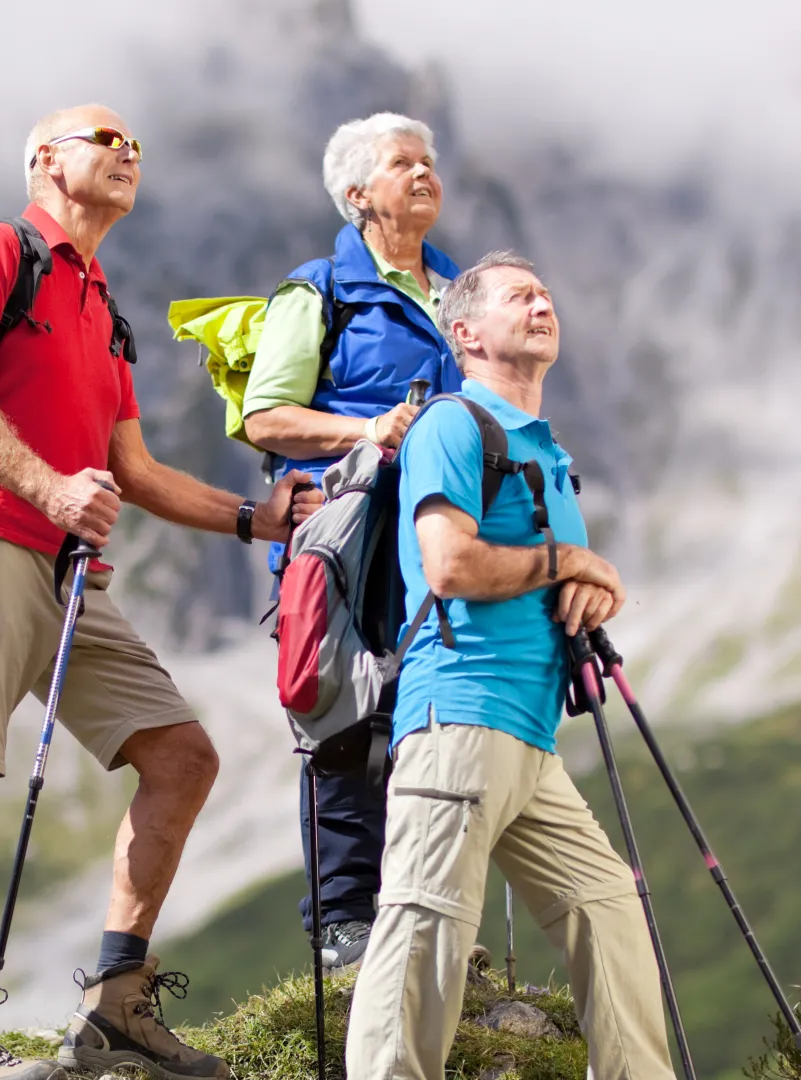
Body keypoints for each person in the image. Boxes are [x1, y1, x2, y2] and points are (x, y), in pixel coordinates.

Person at [0, 104, 323, 1080]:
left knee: (182, 757)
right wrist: (48, 485)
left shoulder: (103, 305)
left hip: (65, 569)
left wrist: (254, 519)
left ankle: (115, 1008)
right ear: (45, 159)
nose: (129, 153)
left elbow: (130, 466)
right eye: (106, 138)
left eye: (138, 144)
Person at [344, 253, 676, 1080]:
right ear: (466, 332)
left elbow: (547, 572)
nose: (542, 303)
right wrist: (567, 559)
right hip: (459, 711)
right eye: (519, 296)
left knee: (608, 910)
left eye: (547, 294)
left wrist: (581, 585)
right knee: (426, 930)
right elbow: (450, 564)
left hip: (527, 736)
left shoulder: (545, 451)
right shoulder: (455, 424)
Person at [241, 112, 463, 970]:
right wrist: (371, 430)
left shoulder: (459, 291)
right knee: (346, 715)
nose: (424, 173)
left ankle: (420, 914)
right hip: (351, 536)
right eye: (403, 163)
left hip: (441, 534)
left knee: (430, 715)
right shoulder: (317, 289)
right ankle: (342, 920)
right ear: (357, 195)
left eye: (429, 161)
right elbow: (268, 417)